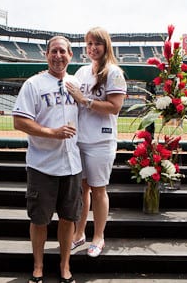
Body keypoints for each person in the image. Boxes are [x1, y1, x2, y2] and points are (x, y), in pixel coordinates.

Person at [12, 35, 82, 283]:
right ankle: (38, 267)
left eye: (63, 51)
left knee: (68, 218)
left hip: (72, 164)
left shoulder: (76, 84)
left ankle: (65, 266)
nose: (58, 56)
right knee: (40, 219)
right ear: (46, 55)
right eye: (54, 51)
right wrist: (52, 132)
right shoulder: (34, 84)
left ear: (70, 55)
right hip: (42, 164)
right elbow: (19, 121)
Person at [66, 27, 127, 258]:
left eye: (97, 44)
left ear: (106, 46)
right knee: (82, 190)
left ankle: (98, 236)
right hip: (79, 139)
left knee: (99, 189)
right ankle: (79, 233)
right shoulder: (81, 71)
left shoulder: (113, 72)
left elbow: (115, 106)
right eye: (89, 44)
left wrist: (85, 100)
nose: (92, 48)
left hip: (101, 140)